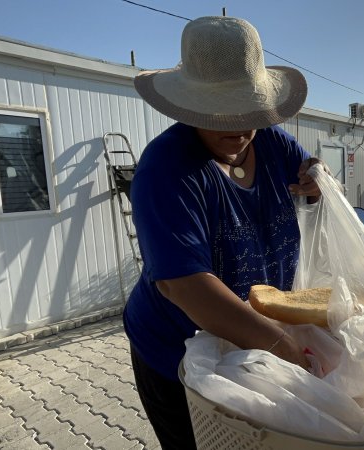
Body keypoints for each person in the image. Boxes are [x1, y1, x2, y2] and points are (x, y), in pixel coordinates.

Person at [125, 16, 323, 449]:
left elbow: (311, 174)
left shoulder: (273, 143)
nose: (237, 128)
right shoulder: (166, 170)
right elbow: (186, 287)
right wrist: (284, 347)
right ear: (188, 105)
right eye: (219, 112)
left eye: (247, 111)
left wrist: (317, 179)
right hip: (179, 353)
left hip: (252, 341)